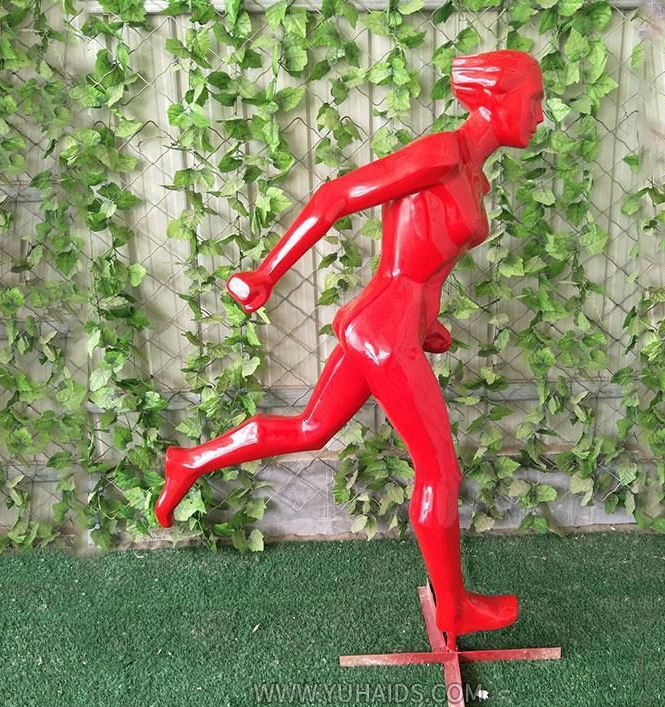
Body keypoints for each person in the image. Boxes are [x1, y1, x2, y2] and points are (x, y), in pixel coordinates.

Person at [155, 50, 544, 649]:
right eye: (534, 101)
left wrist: (430, 324)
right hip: (386, 331)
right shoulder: (442, 153)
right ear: (497, 99)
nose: (540, 116)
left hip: (391, 327)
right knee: (439, 470)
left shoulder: (474, 173)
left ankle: (188, 462)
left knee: (310, 429)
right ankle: (455, 609)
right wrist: (265, 274)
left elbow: (425, 255)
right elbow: (338, 195)